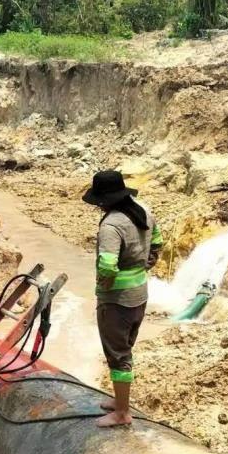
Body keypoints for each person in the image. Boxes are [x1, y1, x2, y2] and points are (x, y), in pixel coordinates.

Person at [82, 170, 163, 427]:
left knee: (118, 355)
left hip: (117, 300)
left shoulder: (111, 225)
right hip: (139, 294)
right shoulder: (142, 210)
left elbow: (107, 265)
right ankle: (120, 401)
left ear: (103, 201)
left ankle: (122, 413)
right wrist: (144, 265)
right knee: (125, 349)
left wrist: (103, 286)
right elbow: (158, 243)